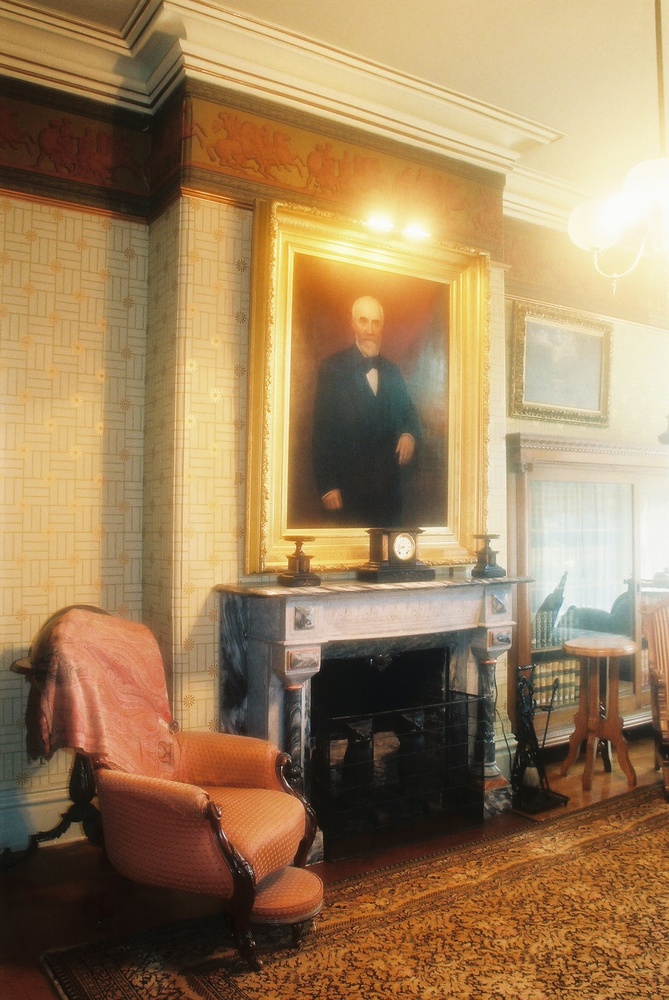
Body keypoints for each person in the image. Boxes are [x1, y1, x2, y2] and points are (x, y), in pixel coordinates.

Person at [311, 295, 421, 526]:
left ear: (382, 327)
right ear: (352, 324)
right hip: (347, 492)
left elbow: (408, 413)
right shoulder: (332, 368)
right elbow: (321, 431)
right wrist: (327, 485)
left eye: (375, 322)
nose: (370, 329)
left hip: (388, 495)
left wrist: (408, 434)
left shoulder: (393, 371)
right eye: (363, 321)